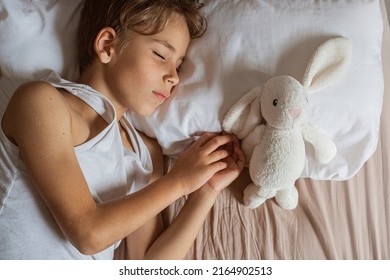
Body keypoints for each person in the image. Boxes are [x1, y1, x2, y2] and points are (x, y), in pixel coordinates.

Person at [0, 0, 245, 260]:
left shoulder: (146, 154)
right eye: (161, 55)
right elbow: (87, 233)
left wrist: (204, 192)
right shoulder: (41, 102)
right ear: (107, 45)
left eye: (179, 65)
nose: (174, 77)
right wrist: (179, 182)